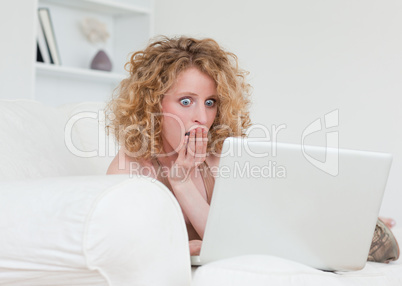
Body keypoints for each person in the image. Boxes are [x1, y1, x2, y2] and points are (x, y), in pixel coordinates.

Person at [105, 35, 399, 262]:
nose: (202, 117)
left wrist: (184, 184)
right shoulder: (130, 167)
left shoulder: (219, 158)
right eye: (186, 101)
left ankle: (352, 223)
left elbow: (243, 239)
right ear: (153, 104)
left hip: (279, 225)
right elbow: (122, 249)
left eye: (210, 102)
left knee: (301, 215)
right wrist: (180, 184)